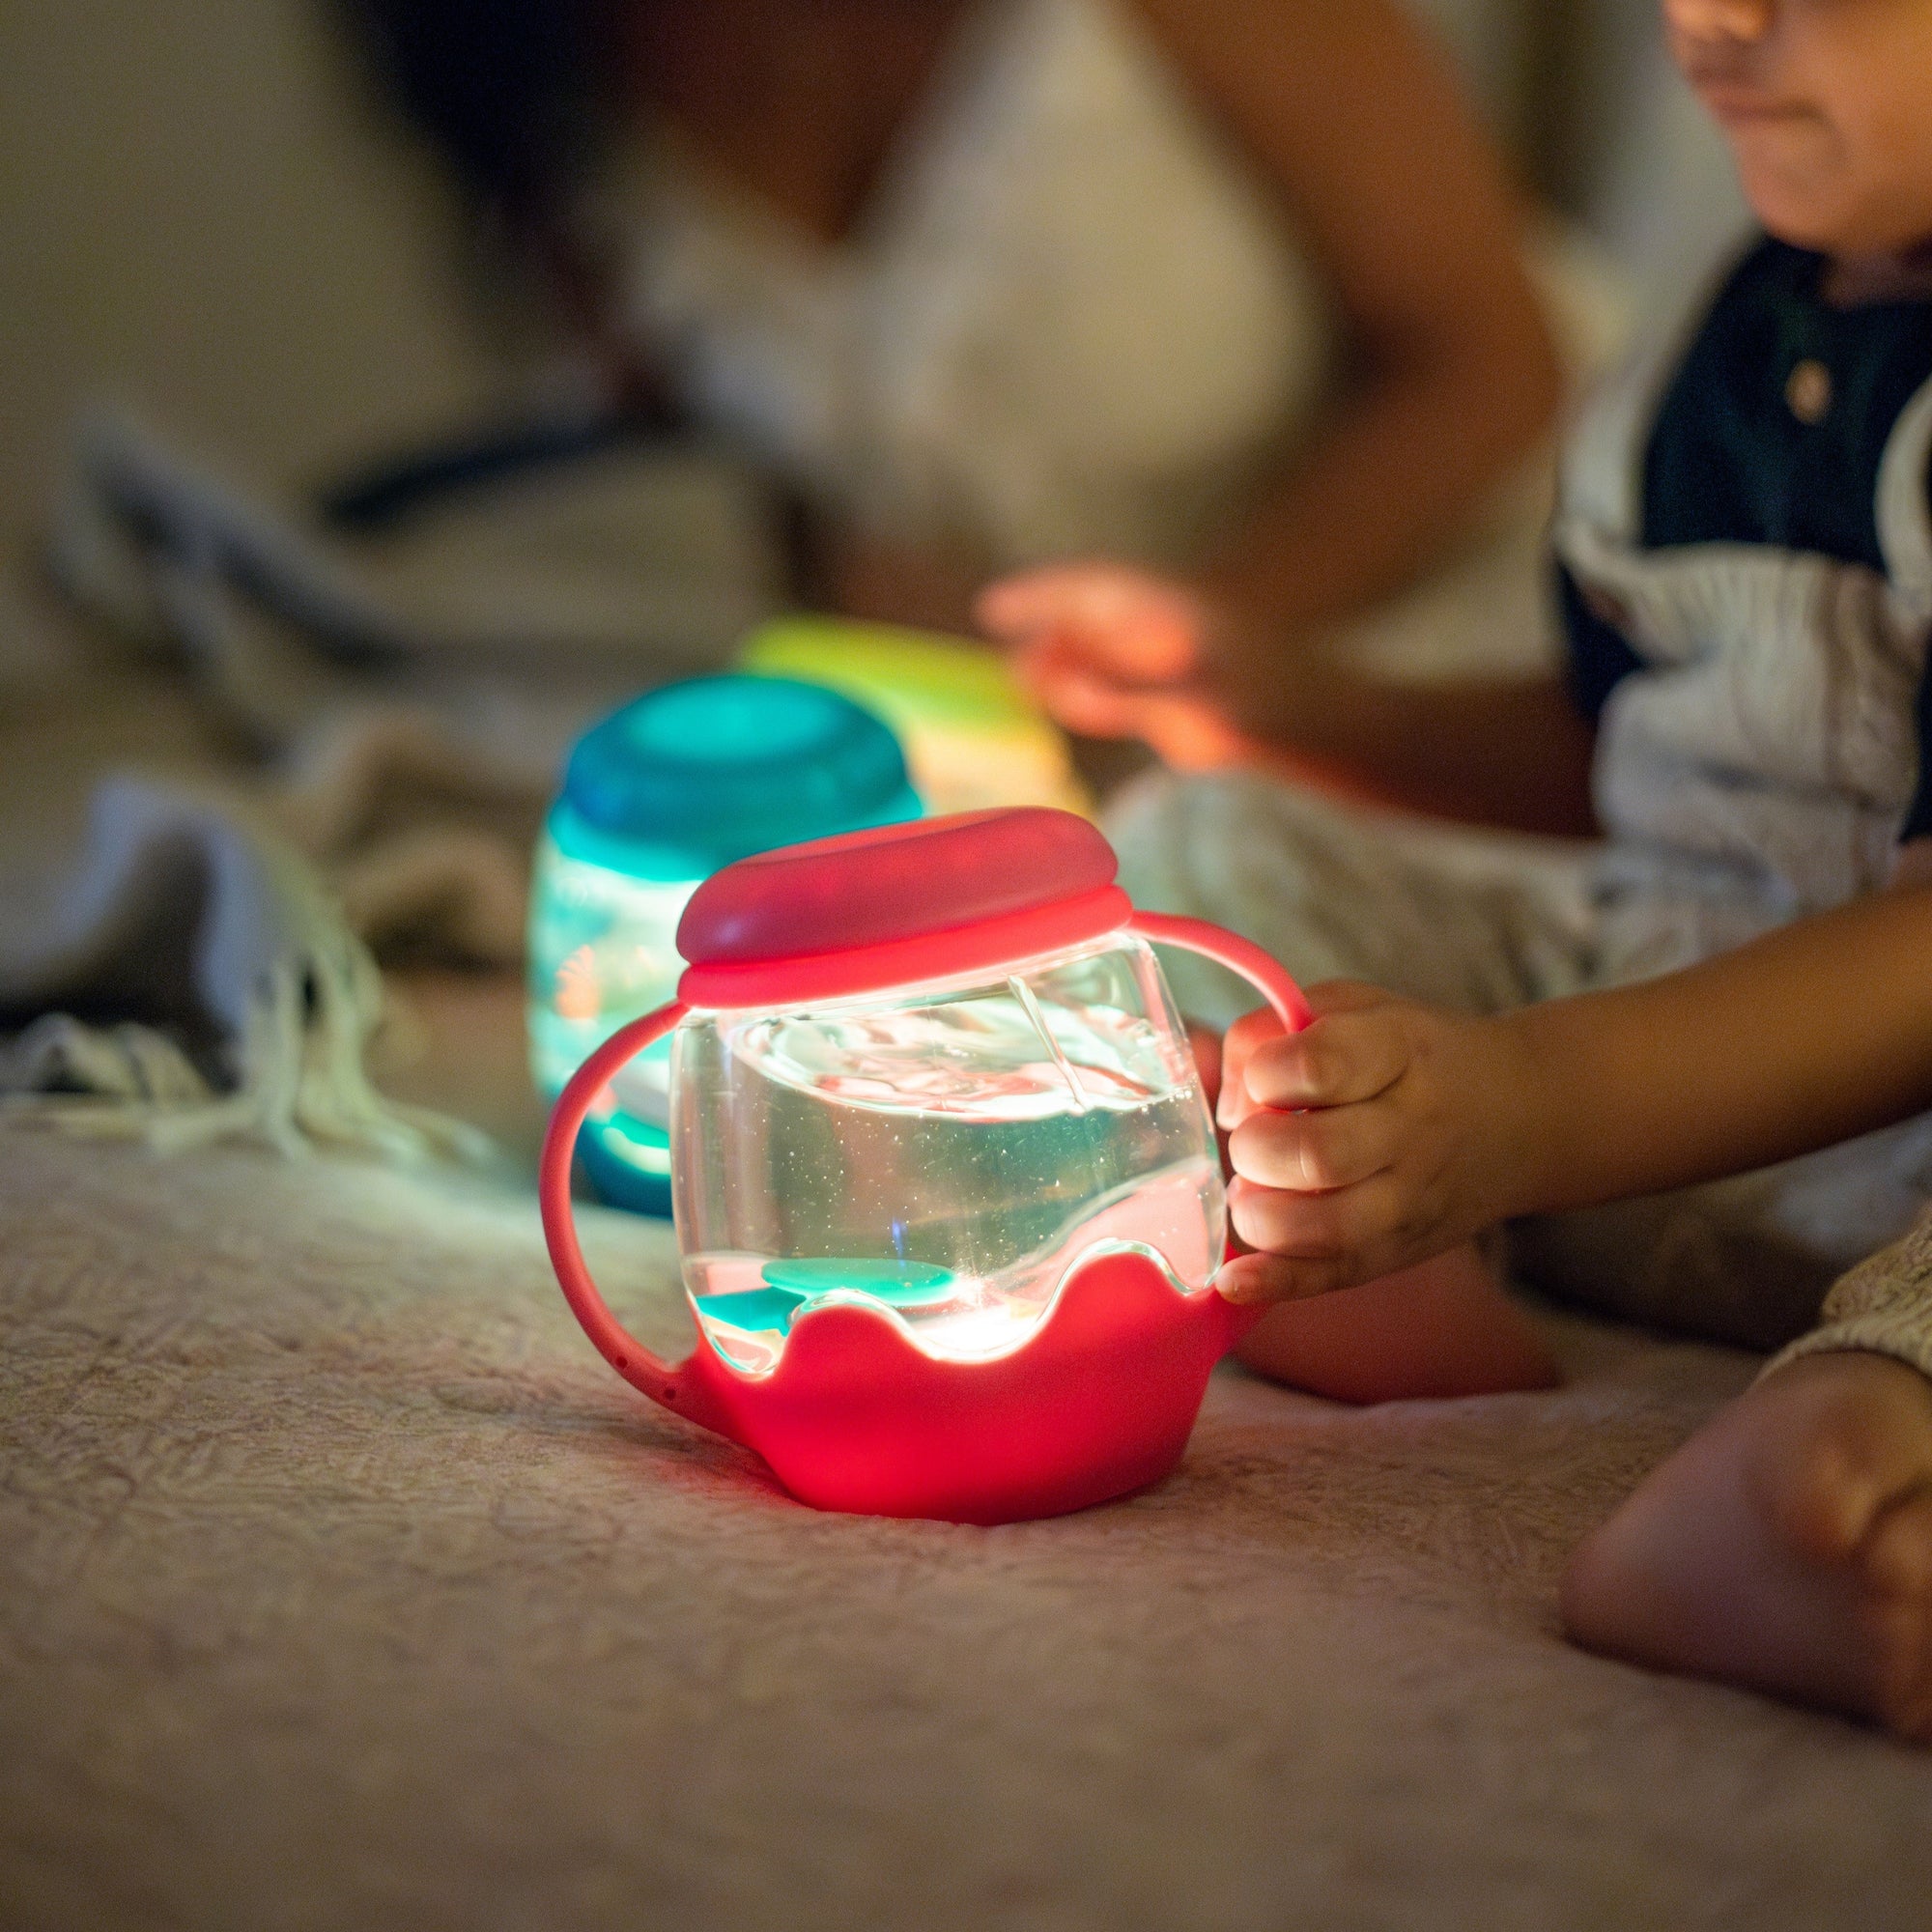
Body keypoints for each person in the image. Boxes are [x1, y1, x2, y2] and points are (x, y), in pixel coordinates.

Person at [982, 0, 1932, 1734]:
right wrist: (1296, 708)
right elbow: (1625, 748)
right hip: (1636, 1014)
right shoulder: (1729, 345)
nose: (1713, 19)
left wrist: (1518, 1109)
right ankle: (1340, 1211)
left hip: (1858, 1155)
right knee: (1203, 853)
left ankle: (1854, 1449)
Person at [341, 0, 1561, 639]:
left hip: (1446, 614)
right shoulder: (551, 95)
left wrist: (1152, 677)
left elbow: (1489, 363)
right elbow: (716, 478)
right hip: (983, 734)